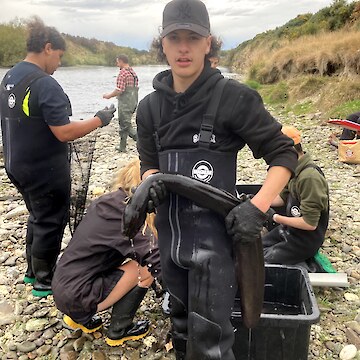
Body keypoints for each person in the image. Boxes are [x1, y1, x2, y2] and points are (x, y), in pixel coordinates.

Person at [135, 0, 298, 359]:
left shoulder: (233, 99)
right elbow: (148, 164)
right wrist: (150, 183)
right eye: (174, 37)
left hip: (215, 248)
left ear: (208, 43)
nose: (182, 47)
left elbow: (284, 154)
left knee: (212, 342)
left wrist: (256, 208)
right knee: (179, 330)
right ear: (161, 44)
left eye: (192, 37)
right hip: (170, 243)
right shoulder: (148, 108)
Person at [0, 18, 115, 298]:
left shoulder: (10, 77)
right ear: (48, 48)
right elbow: (63, 132)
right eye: (60, 57)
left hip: (16, 163)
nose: (59, 64)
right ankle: (44, 280)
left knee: (37, 215)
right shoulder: (44, 83)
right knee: (51, 220)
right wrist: (99, 119)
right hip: (44, 168)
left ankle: (31, 272)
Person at [52, 159, 161, 346]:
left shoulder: (108, 202)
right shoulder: (131, 217)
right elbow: (156, 259)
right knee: (145, 269)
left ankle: (78, 318)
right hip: (79, 295)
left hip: (63, 284)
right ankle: (120, 329)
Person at [263, 126, 329, 268]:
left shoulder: (310, 177)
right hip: (290, 230)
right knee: (255, 249)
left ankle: (306, 265)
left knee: (261, 262)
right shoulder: (292, 169)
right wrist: (257, 203)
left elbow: (310, 224)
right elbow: (282, 198)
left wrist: (275, 218)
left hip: (305, 240)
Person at [103, 54, 139, 152]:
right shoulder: (133, 72)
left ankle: (140, 140)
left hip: (125, 103)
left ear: (122, 61)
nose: (117, 64)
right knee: (126, 123)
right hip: (134, 101)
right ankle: (123, 146)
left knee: (124, 124)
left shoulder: (123, 73)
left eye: (117, 62)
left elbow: (119, 90)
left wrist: (108, 95)